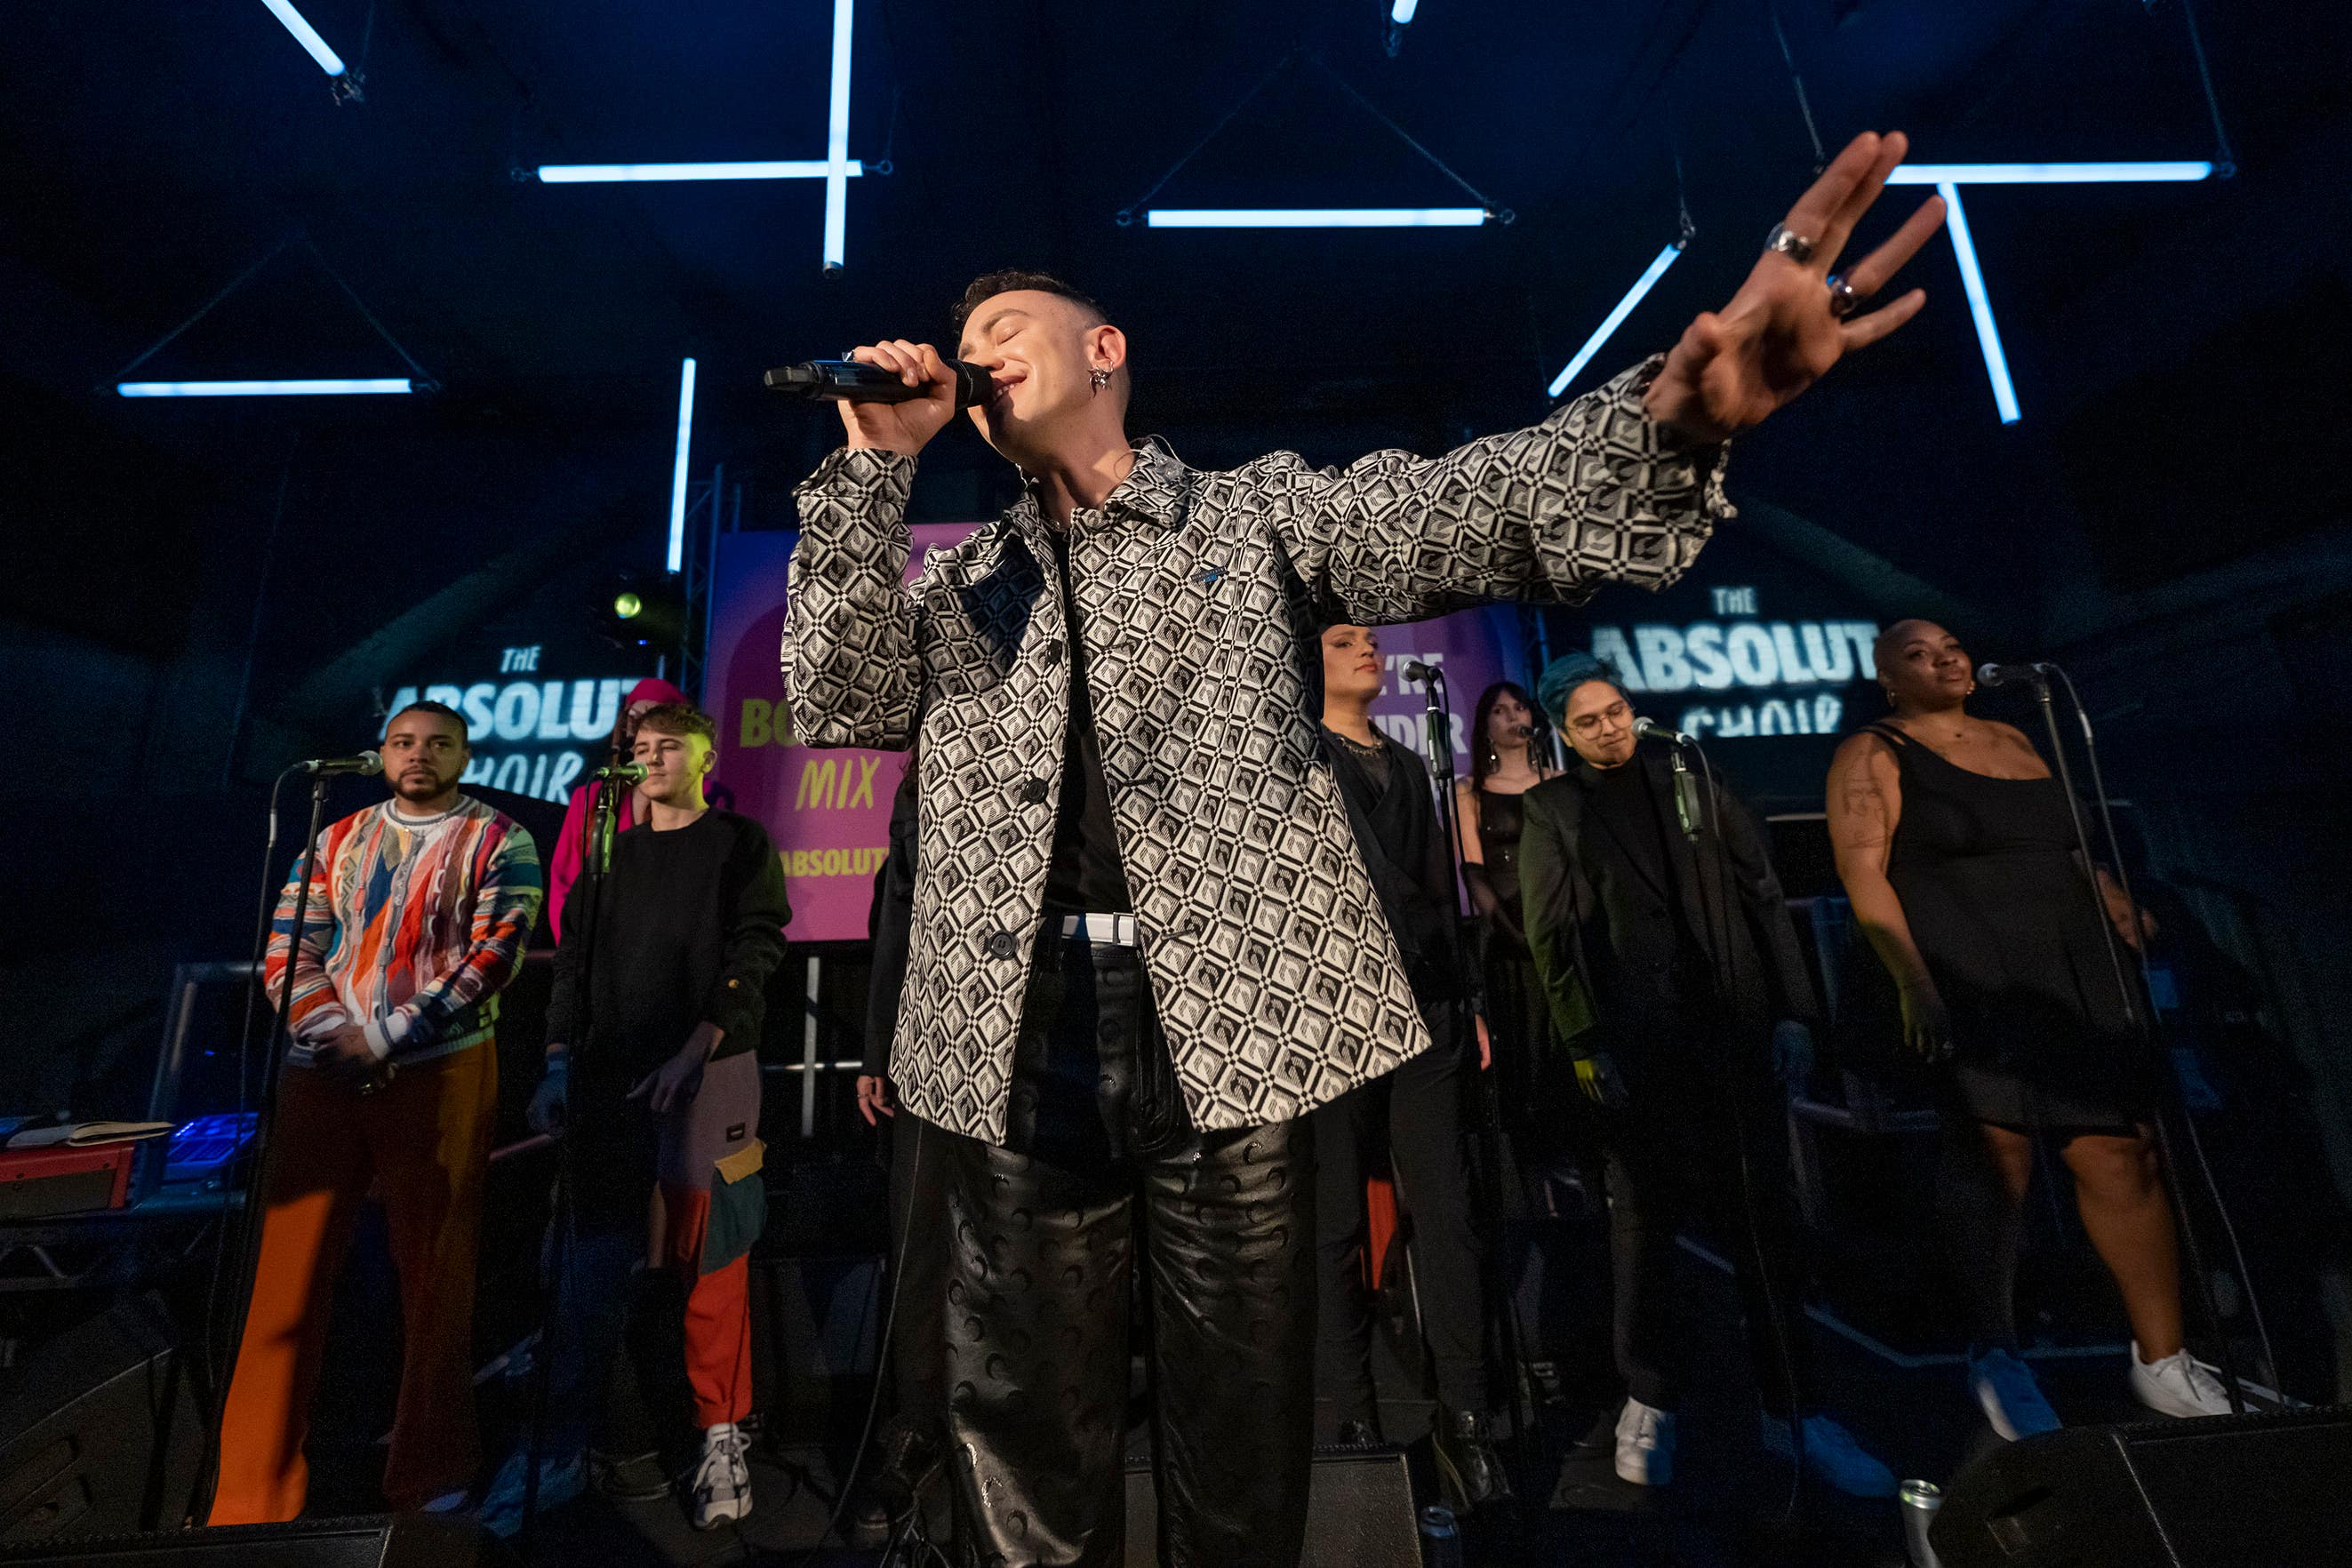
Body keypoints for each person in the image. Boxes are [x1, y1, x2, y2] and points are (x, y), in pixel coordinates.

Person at [779, 132, 1944, 1565]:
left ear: (1106, 346)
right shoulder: (969, 579)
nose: (976, 356)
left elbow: (1471, 505)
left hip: (1238, 1020)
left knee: (1244, 1412)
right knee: (1015, 1416)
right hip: (1012, 1027)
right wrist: (865, 478)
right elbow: (840, 697)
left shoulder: (1255, 513)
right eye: (963, 348)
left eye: (1003, 331)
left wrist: (1672, 422)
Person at [1825, 620, 2230, 1438]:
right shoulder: (1873, 752)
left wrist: (2113, 896)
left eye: (1950, 646)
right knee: (1996, 1159)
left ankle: (2162, 1359)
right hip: (1971, 964)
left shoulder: (2017, 735)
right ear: (1888, 682)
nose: (1943, 658)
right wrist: (1912, 981)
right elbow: (1862, 871)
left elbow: (2072, 843)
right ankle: (1996, 1354)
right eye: (1916, 654)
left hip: (2071, 962)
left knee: (2121, 1149)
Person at [1518, 655, 1894, 1499]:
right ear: (1563, 733)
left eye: (1617, 711)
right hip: (1636, 1041)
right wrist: (1584, 1041)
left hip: (1730, 1029)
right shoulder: (1554, 806)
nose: (1611, 728)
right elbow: (1552, 938)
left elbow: (1762, 891)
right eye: (1590, 720)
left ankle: (1793, 1409)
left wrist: (1794, 1009)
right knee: (1645, 1225)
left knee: (1764, 1219)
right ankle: (1650, 1401)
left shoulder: (1690, 773)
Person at [212, 700, 543, 1524]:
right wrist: (329, 1030)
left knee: (436, 1279)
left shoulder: (502, 838)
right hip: (319, 1072)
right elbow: (291, 945)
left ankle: (429, 1480)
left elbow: (494, 953)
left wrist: (388, 1035)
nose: (418, 755)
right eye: (404, 743)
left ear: (466, 755)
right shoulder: (335, 836)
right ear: (381, 753)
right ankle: (250, 1491)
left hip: (437, 1068)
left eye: (438, 744)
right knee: (282, 1284)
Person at [482, 702, 790, 1533]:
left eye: (667, 747)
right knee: (588, 1263)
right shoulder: (607, 857)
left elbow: (756, 947)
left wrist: (695, 1049)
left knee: (713, 1258)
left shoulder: (740, 842)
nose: (649, 758)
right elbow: (573, 969)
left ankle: (719, 1434)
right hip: (610, 1078)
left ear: (704, 754)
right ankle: (558, 1448)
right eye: (638, 748)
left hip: (710, 1074)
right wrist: (554, 1064)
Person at [1313, 625, 1508, 1509]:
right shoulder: (1296, 753)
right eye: (1343, 639)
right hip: (1331, 1014)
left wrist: (1467, 999)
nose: (1368, 648)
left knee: (1450, 1210)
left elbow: (1437, 882)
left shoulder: (1408, 759)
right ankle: (1348, 1416)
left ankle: (1467, 1419)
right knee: (1332, 1225)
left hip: (1428, 1008)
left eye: (1369, 637)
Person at [853, 757, 951, 1534]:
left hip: (1051, 1039)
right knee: (918, 1248)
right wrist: (879, 1048)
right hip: (934, 1045)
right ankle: (914, 1433)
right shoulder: (927, 776)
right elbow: (898, 907)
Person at [1454, 680, 1559, 1131]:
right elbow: (1472, 869)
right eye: (1500, 710)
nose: (1513, 716)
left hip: (1557, 922)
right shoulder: (1470, 791)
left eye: (1519, 707)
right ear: (1484, 727)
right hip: (1508, 934)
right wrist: (1505, 924)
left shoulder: (1559, 784)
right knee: (1524, 1048)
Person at [545, 676, 690, 941]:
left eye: (652, 717)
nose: (639, 728)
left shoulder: (694, 804)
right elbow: (564, 881)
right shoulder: (591, 797)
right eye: (633, 718)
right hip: (594, 949)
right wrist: (571, 949)